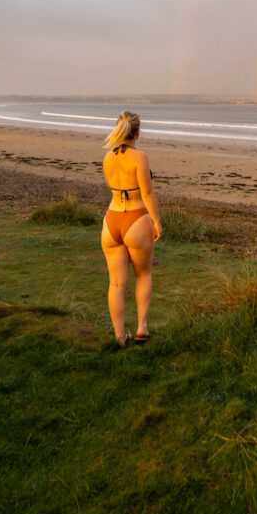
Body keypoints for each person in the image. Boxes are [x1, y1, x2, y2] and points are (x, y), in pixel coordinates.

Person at [101, 111, 162, 346]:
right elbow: (146, 192)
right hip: (136, 218)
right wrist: (156, 220)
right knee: (143, 274)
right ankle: (142, 328)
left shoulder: (108, 158)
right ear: (137, 132)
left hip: (111, 221)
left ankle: (119, 336)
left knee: (116, 283)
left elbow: (113, 186)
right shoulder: (140, 157)